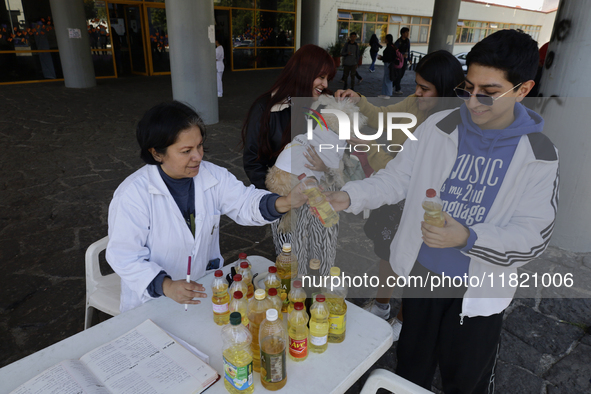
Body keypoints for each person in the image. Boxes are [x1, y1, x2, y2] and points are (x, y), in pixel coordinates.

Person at [326, 30, 558, 392]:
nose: (473, 102)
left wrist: (468, 236)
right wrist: (349, 196)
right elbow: (396, 178)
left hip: (479, 292)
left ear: (523, 90)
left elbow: (534, 236)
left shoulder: (539, 154)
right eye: (468, 87)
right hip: (423, 276)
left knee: (465, 381)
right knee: (410, 369)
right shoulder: (439, 127)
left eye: (490, 93)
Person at [107, 101, 307, 313]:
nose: (198, 157)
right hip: (151, 301)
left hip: (203, 289)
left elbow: (243, 201)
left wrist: (284, 202)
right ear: (156, 153)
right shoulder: (132, 195)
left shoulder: (212, 176)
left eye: (199, 146)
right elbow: (124, 256)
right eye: (186, 151)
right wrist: (166, 286)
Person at [335, 50, 465, 341]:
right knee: (388, 252)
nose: (416, 92)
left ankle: (405, 319)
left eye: (424, 88)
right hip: (393, 197)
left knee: (417, 261)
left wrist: (368, 148)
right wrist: (360, 101)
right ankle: (382, 304)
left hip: (423, 204)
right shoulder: (416, 105)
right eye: (417, 84)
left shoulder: (450, 127)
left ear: (445, 90)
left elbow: (406, 176)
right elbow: (384, 117)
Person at [241, 44, 340, 272]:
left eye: (328, 78)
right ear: (303, 72)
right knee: (290, 262)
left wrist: (326, 168)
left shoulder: (326, 107)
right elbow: (253, 161)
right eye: (321, 76)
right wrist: (279, 199)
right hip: (287, 201)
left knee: (322, 258)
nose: (326, 84)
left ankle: (319, 303)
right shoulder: (266, 107)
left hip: (322, 198)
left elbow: (338, 154)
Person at [392, 27, 411, 95]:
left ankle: (392, 85)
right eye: (406, 32)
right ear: (402, 33)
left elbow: (408, 50)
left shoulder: (408, 41)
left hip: (404, 60)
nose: (407, 34)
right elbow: (395, 51)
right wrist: (402, 55)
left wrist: (409, 59)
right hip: (399, 60)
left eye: (408, 32)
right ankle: (397, 88)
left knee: (401, 74)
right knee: (398, 74)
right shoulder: (398, 41)